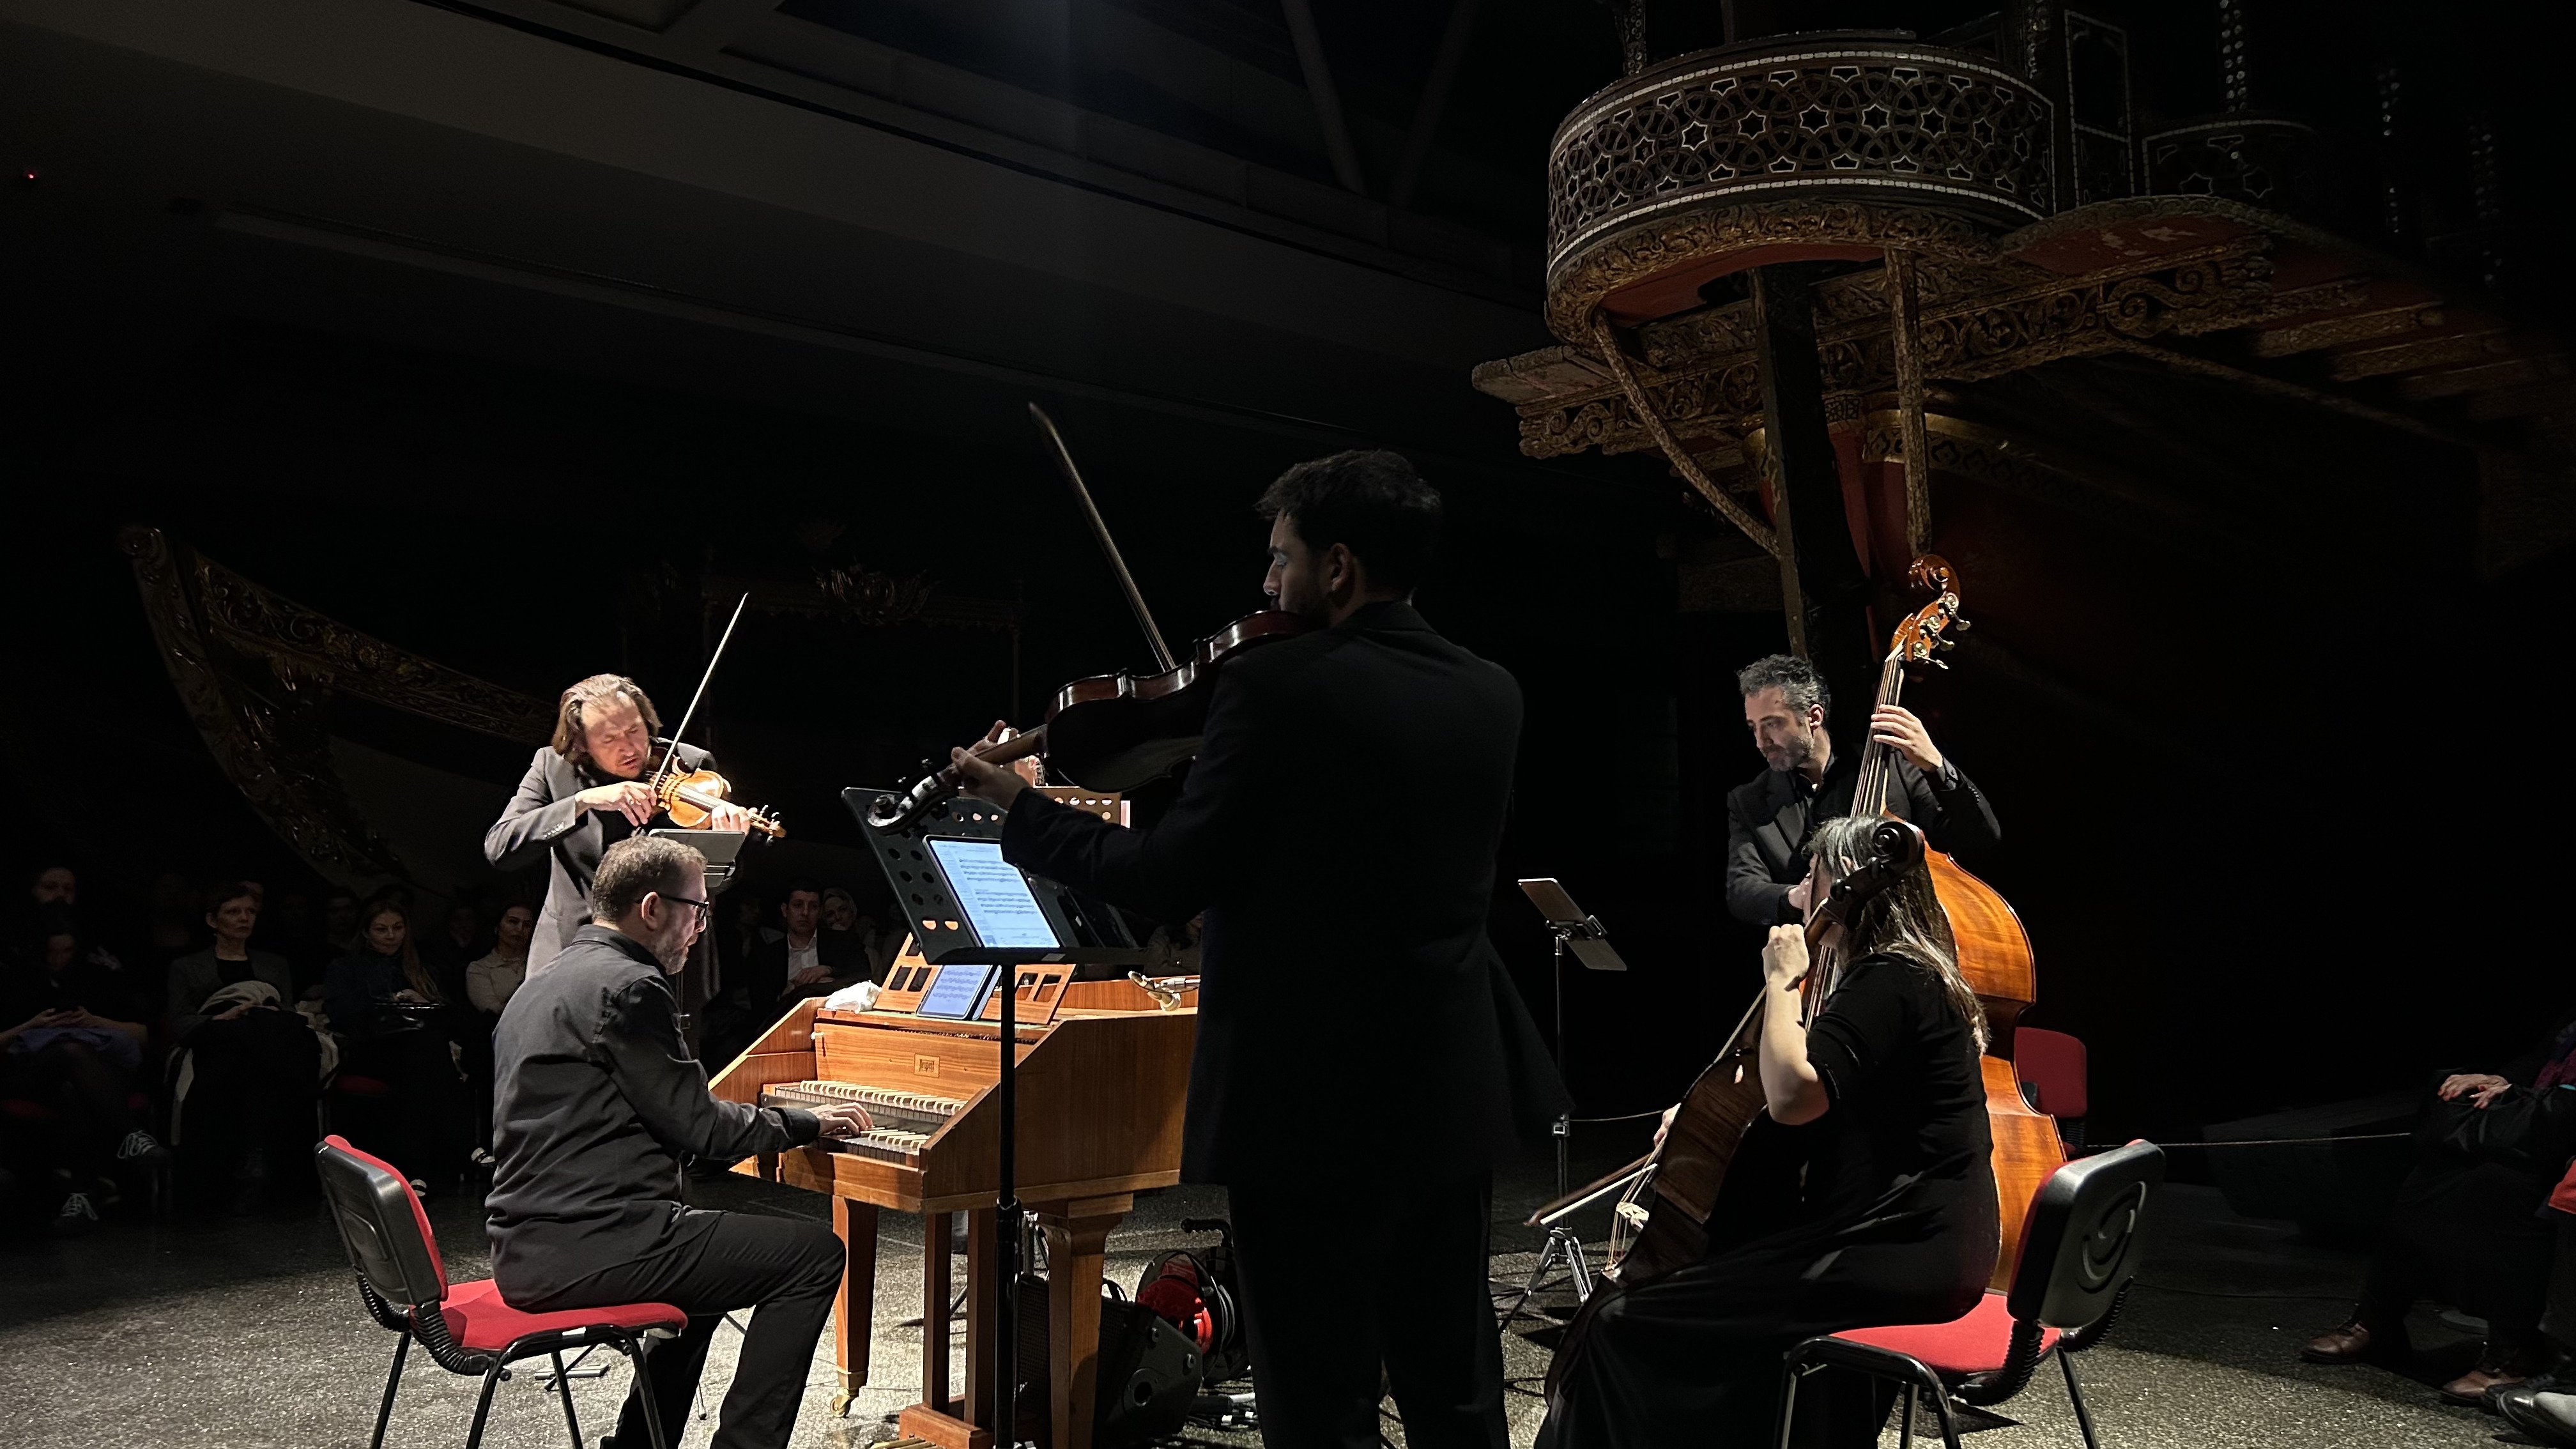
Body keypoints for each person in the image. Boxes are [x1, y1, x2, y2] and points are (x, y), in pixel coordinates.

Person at [946, 448, 1566, 1449]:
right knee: (1454, 1381)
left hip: (1308, 1096)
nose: (1266, 586)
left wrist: (1025, 808)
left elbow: (1168, 875)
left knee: (1318, 1396)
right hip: (1448, 1084)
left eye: (1281, 561)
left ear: (1340, 567)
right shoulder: (1492, 692)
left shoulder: (1276, 685)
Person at [1537, 814, 2000, 1448]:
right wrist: (1707, 1115)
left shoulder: (1891, 979)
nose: (1803, 892)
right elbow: (1832, 1108)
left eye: (1812, 877)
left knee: (1624, 1321)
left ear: (1848, 887)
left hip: (1894, 1254)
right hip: (1933, 1246)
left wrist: (1783, 978)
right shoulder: (1919, 975)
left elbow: (1793, 1098)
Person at [487, 835, 870, 1449]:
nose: (700, 928)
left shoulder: (552, 977)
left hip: (532, 1241)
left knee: (713, 1272)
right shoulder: (629, 987)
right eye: (697, 910)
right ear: (651, 909)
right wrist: (806, 1122)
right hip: (591, 1243)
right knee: (812, 1256)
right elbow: (703, 1131)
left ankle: (640, 1443)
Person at [2303, 1013, 2576, 1402]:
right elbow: (2538, 1061)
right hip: (2539, 1124)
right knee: (2431, 1178)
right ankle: (2377, 1322)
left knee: (2505, 1187)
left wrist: (2527, 1096)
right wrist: (2498, 1080)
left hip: (2560, 1137)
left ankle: (2515, 1350)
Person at [484, 674, 752, 977]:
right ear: (582, 743)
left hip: (663, 954)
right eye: (610, 739)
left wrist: (726, 846)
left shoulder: (690, 765)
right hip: (567, 950)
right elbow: (500, 847)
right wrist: (582, 802)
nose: (630, 748)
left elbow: (714, 884)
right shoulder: (553, 766)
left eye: (635, 730)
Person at [1725, 654, 2002, 927]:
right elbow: (1742, 890)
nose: (1761, 742)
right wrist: (1799, 896)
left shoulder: (1889, 766)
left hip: (1905, 934)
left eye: (1772, 724)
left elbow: (1979, 835)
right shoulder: (1750, 800)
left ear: (1814, 717)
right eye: (1754, 728)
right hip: (1821, 957)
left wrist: (1937, 766)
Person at [1, 908, 167, 1232]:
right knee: (70, 1052)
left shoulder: (96, 977)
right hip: (27, 1073)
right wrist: (33, 1025)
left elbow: (144, 1034)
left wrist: (93, 1021)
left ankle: (83, 1197)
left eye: (66, 951)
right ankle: (129, 1135)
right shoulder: (15, 981)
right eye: (51, 952)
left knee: (72, 1088)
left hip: (93, 1074)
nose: (58, 959)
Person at [165, 882, 320, 1211]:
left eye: (250, 911)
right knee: (243, 1039)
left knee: (279, 1036)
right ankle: (255, 1154)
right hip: (216, 1035)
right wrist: (226, 1015)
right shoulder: (187, 966)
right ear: (212, 920)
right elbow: (180, 1021)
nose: (243, 918)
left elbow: (287, 1011)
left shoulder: (274, 964)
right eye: (233, 912)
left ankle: (264, 1158)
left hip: (265, 1037)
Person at [324, 899, 471, 1193]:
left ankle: (417, 1170)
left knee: (421, 1057)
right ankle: (465, 1147)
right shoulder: (346, 968)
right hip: (368, 1050)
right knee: (425, 1057)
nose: (391, 936)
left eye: (398, 928)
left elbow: (451, 1016)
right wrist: (389, 1006)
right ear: (366, 932)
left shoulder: (421, 965)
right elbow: (342, 1016)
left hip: (415, 1052)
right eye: (381, 929)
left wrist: (421, 1002)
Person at [701, 884, 861, 1069]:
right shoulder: (766, 955)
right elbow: (759, 1009)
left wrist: (828, 970)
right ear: (786, 910)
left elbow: (865, 979)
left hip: (832, 1031)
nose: (805, 913)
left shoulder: (843, 944)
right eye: (798, 905)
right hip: (779, 1034)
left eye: (813, 907)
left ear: (820, 913)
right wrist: (788, 994)